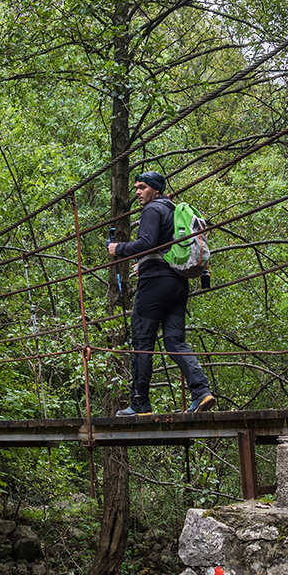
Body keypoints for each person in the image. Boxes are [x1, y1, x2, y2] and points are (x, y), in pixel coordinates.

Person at [107, 171, 216, 416]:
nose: (137, 192)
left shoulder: (152, 210)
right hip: (177, 284)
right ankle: (201, 392)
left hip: (155, 284)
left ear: (155, 190)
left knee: (142, 342)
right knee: (174, 341)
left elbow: (145, 243)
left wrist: (118, 249)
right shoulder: (172, 210)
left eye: (142, 187)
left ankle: (140, 404)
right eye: (136, 187)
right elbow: (161, 247)